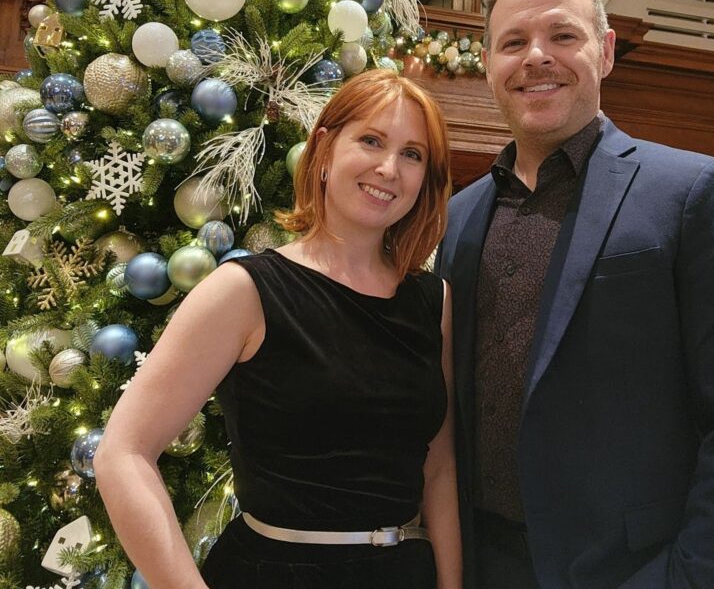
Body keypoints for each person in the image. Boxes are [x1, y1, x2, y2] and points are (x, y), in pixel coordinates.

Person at [435, 0, 714, 589]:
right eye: (513, 42)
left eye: (563, 35)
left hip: (636, 572)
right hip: (484, 566)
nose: (536, 56)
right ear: (487, 64)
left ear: (606, 51)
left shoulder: (693, 193)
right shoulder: (459, 217)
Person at [95, 69, 462, 589]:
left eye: (412, 154)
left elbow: (438, 468)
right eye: (372, 140)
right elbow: (123, 453)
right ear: (325, 149)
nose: (388, 168)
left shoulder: (433, 300)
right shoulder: (244, 290)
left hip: (405, 574)